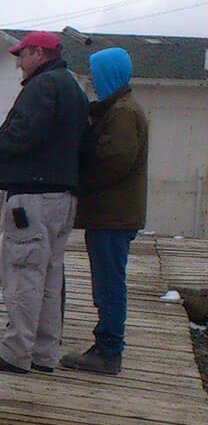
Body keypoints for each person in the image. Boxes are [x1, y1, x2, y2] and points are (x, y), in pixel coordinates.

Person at [0, 29, 89, 373]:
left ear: (39, 53)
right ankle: (43, 352)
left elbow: (23, 133)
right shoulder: (72, 87)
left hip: (33, 198)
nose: (19, 63)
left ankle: (16, 351)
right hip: (63, 196)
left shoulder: (42, 86)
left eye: (22, 55)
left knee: (23, 273)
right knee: (49, 276)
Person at [64, 46, 148, 375]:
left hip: (113, 216)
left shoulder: (123, 112)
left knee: (109, 284)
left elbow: (116, 160)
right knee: (109, 281)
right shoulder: (118, 109)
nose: (91, 79)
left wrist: (78, 180)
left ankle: (109, 350)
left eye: (95, 73)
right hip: (113, 215)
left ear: (109, 73)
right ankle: (105, 346)